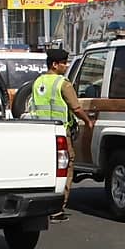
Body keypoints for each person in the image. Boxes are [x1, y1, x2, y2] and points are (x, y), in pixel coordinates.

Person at [28, 48, 95, 222]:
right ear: (55, 64)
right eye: (64, 63)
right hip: (59, 134)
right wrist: (88, 121)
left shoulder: (38, 82)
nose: (66, 66)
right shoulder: (63, 84)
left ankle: (40, 206)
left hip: (40, 133)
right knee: (65, 168)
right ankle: (57, 209)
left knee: (45, 169)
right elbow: (76, 108)